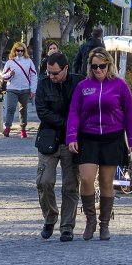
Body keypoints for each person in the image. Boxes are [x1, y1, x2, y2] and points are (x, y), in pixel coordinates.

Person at [66, 48, 132, 241]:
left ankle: (104, 224)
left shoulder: (120, 86)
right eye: (94, 66)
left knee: (106, 182)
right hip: (87, 137)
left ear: (109, 65)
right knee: (87, 179)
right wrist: (71, 137)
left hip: (112, 137)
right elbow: (74, 112)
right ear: (90, 67)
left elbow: (130, 114)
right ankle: (90, 220)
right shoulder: (83, 86)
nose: (98, 70)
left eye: (102, 66)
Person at [35, 52, 81, 241]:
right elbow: (42, 112)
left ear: (66, 69)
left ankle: (67, 226)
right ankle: (50, 217)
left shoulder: (79, 82)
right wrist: (67, 123)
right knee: (44, 181)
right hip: (49, 139)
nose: (52, 77)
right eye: (49, 73)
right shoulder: (43, 84)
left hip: (72, 142)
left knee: (70, 186)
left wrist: (74, 129)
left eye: (55, 73)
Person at [0, 41, 37, 139]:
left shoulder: (29, 61)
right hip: (12, 88)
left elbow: (33, 75)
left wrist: (33, 90)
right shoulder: (10, 62)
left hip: (25, 89)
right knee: (11, 108)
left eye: (21, 50)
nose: (19, 52)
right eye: (17, 50)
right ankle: (7, 128)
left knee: (23, 110)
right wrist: (10, 74)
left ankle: (23, 129)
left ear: (24, 51)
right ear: (14, 51)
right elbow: (3, 75)